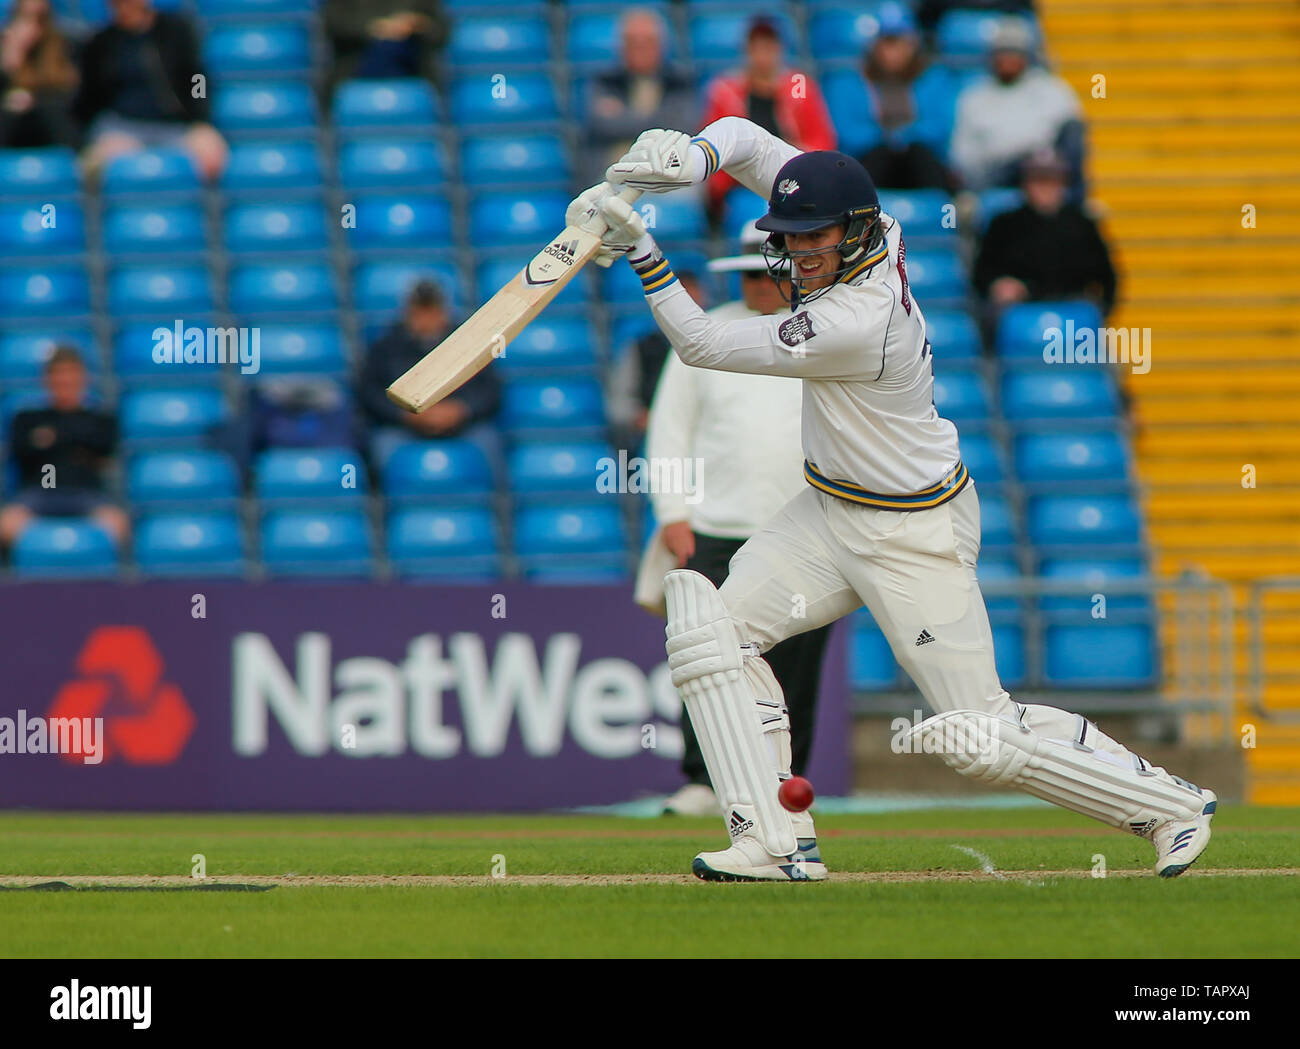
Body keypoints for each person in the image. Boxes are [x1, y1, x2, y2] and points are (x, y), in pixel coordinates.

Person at [562, 121, 1216, 882]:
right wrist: (695, 158)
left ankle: (1166, 804)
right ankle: (772, 838)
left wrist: (642, 251)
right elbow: (747, 139)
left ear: (857, 232)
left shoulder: (855, 321)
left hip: (913, 532)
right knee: (713, 638)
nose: (798, 253)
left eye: (814, 239)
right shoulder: (875, 228)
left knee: (979, 737)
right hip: (828, 512)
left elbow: (703, 343)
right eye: (789, 236)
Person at [639, 223, 832, 817]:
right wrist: (673, 513)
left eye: (770, 271)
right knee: (709, 658)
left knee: (794, 661)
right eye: (749, 273)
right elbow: (668, 431)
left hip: (803, 529)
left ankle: (783, 781)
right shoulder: (705, 336)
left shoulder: (823, 333)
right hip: (717, 527)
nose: (761, 284)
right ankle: (704, 779)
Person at [73, 0, 227, 181]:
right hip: (122, 127)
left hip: (175, 125)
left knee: (211, 153)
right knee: (93, 164)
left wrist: (201, 119)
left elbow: (197, 79)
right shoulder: (99, 44)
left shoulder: (177, 30)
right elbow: (88, 99)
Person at [357, 279, 501, 471]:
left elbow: (490, 390)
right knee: (384, 446)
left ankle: (496, 498)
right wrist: (405, 415)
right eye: (420, 312)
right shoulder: (386, 346)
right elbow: (369, 392)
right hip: (403, 427)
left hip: (462, 425)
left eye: (432, 311)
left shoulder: (469, 343)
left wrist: (461, 410)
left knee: (488, 442)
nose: (426, 319)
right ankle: (383, 499)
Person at [700, 16, 834, 215]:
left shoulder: (799, 88)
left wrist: (797, 158)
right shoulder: (726, 91)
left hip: (791, 173)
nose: (763, 55)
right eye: (757, 47)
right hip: (740, 180)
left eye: (768, 47)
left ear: (779, 49)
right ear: (747, 50)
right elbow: (715, 142)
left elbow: (822, 141)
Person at [0, 346, 127, 550]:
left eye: (71, 374)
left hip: (86, 493)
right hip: (40, 491)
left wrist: (53, 438)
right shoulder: (26, 418)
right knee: (6, 525)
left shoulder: (100, 419)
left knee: (118, 524)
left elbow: (104, 446)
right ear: (47, 380)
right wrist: (77, 443)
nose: (65, 381)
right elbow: (22, 450)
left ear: (82, 378)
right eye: (59, 375)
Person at [973, 148, 1117, 315]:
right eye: (1038, 180)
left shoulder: (1082, 225)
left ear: (1063, 184)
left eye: (1052, 180)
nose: (1045, 188)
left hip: (1072, 312)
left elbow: (1107, 277)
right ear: (1025, 184)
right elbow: (981, 275)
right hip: (1020, 312)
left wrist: (1099, 308)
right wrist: (997, 285)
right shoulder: (1004, 225)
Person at [949, 18, 1081, 192]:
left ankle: (1073, 204)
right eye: (1002, 53)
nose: (1007, 59)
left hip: (1044, 168)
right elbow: (964, 154)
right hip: (997, 173)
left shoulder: (1052, 90)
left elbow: (1070, 136)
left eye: (1013, 52)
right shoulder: (974, 97)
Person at [583, 8, 696, 188]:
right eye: (633, 42)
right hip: (614, 175)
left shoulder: (680, 82)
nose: (640, 49)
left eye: (648, 42)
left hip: (669, 176)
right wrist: (657, 122)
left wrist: (623, 117)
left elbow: (682, 128)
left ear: (661, 45)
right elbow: (602, 126)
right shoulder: (604, 81)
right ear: (622, 47)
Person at [846, 5, 955, 191]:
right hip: (874, 158)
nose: (893, 52)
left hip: (918, 158)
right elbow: (849, 133)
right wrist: (887, 139)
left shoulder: (934, 78)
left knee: (920, 155)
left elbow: (940, 127)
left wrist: (903, 137)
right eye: (887, 43)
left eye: (899, 43)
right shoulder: (854, 81)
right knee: (877, 158)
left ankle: (944, 211)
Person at [607, 270, 706, 452]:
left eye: (692, 296)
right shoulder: (642, 347)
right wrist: (643, 418)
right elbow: (620, 404)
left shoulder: (716, 346)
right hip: (657, 440)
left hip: (707, 438)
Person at [0, 0, 78, 148]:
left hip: (50, 135)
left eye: (39, 19)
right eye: (24, 18)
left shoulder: (63, 50)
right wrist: (9, 64)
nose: (31, 27)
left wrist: (34, 100)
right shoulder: (5, 50)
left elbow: (70, 102)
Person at [324, 0, 447, 93]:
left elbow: (439, 33)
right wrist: (378, 28)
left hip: (412, 65)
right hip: (357, 65)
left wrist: (416, 25)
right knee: (386, 49)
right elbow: (334, 25)